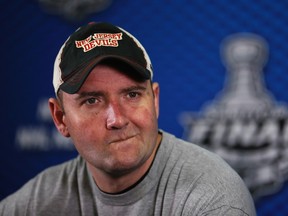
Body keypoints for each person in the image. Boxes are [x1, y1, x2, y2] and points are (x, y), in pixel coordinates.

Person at [0, 22, 256, 215]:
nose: (117, 119)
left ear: (154, 100)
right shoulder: (40, 200)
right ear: (60, 117)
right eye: (92, 100)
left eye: (132, 94)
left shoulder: (213, 198)